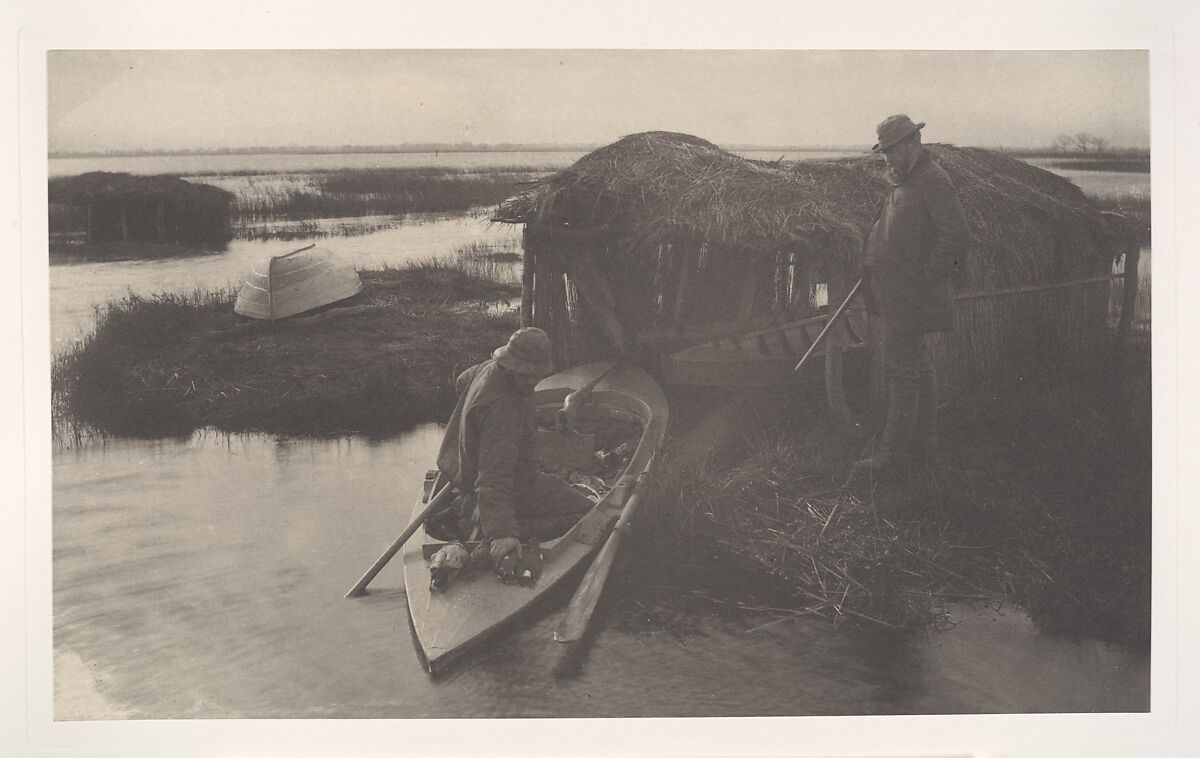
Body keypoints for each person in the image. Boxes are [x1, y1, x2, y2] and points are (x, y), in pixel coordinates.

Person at [853, 115, 969, 475]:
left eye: (892, 149)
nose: (887, 157)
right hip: (896, 293)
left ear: (913, 143)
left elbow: (957, 236)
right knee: (918, 365)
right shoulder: (906, 180)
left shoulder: (933, 180)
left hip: (910, 294)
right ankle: (925, 443)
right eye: (885, 151)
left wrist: (926, 278)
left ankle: (891, 456)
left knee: (900, 371)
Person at [433, 327, 594, 570]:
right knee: (588, 510)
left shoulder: (487, 368)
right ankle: (500, 524)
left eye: (535, 374)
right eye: (526, 375)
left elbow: (461, 382)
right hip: (510, 485)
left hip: (461, 469)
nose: (533, 381)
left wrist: (476, 425)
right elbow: (494, 477)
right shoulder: (503, 412)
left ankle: (475, 507)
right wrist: (502, 533)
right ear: (511, 366)